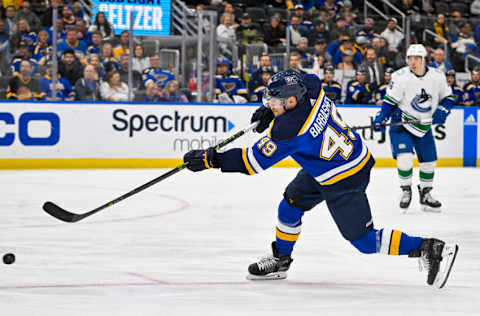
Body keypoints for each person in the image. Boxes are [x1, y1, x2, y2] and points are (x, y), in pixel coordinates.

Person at [182, 69, 458, 288]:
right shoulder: (314, 88)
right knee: (289, 205)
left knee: (363, 241)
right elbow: (297, 76)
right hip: (328, 165)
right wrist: (272, 112)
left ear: (291, 101)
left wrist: (209, 159)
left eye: (275, 101)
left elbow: (250, 162)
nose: (270, 104)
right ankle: (281, 261)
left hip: (345, 177)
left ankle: (430, 248)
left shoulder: (289, 129)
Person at [373, 44, 455, 211]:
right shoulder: (400, 76)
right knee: (405, 158)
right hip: (402, 124)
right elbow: (389, 101)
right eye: (410, 58)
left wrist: (443, 109)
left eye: (417, 59)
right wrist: (382, 117)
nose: (413, 62)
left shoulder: (437, 76)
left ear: (424, 60)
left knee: (429, 162)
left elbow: (448, 97)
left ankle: (425, 193)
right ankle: (406, 190)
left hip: (423, 126)